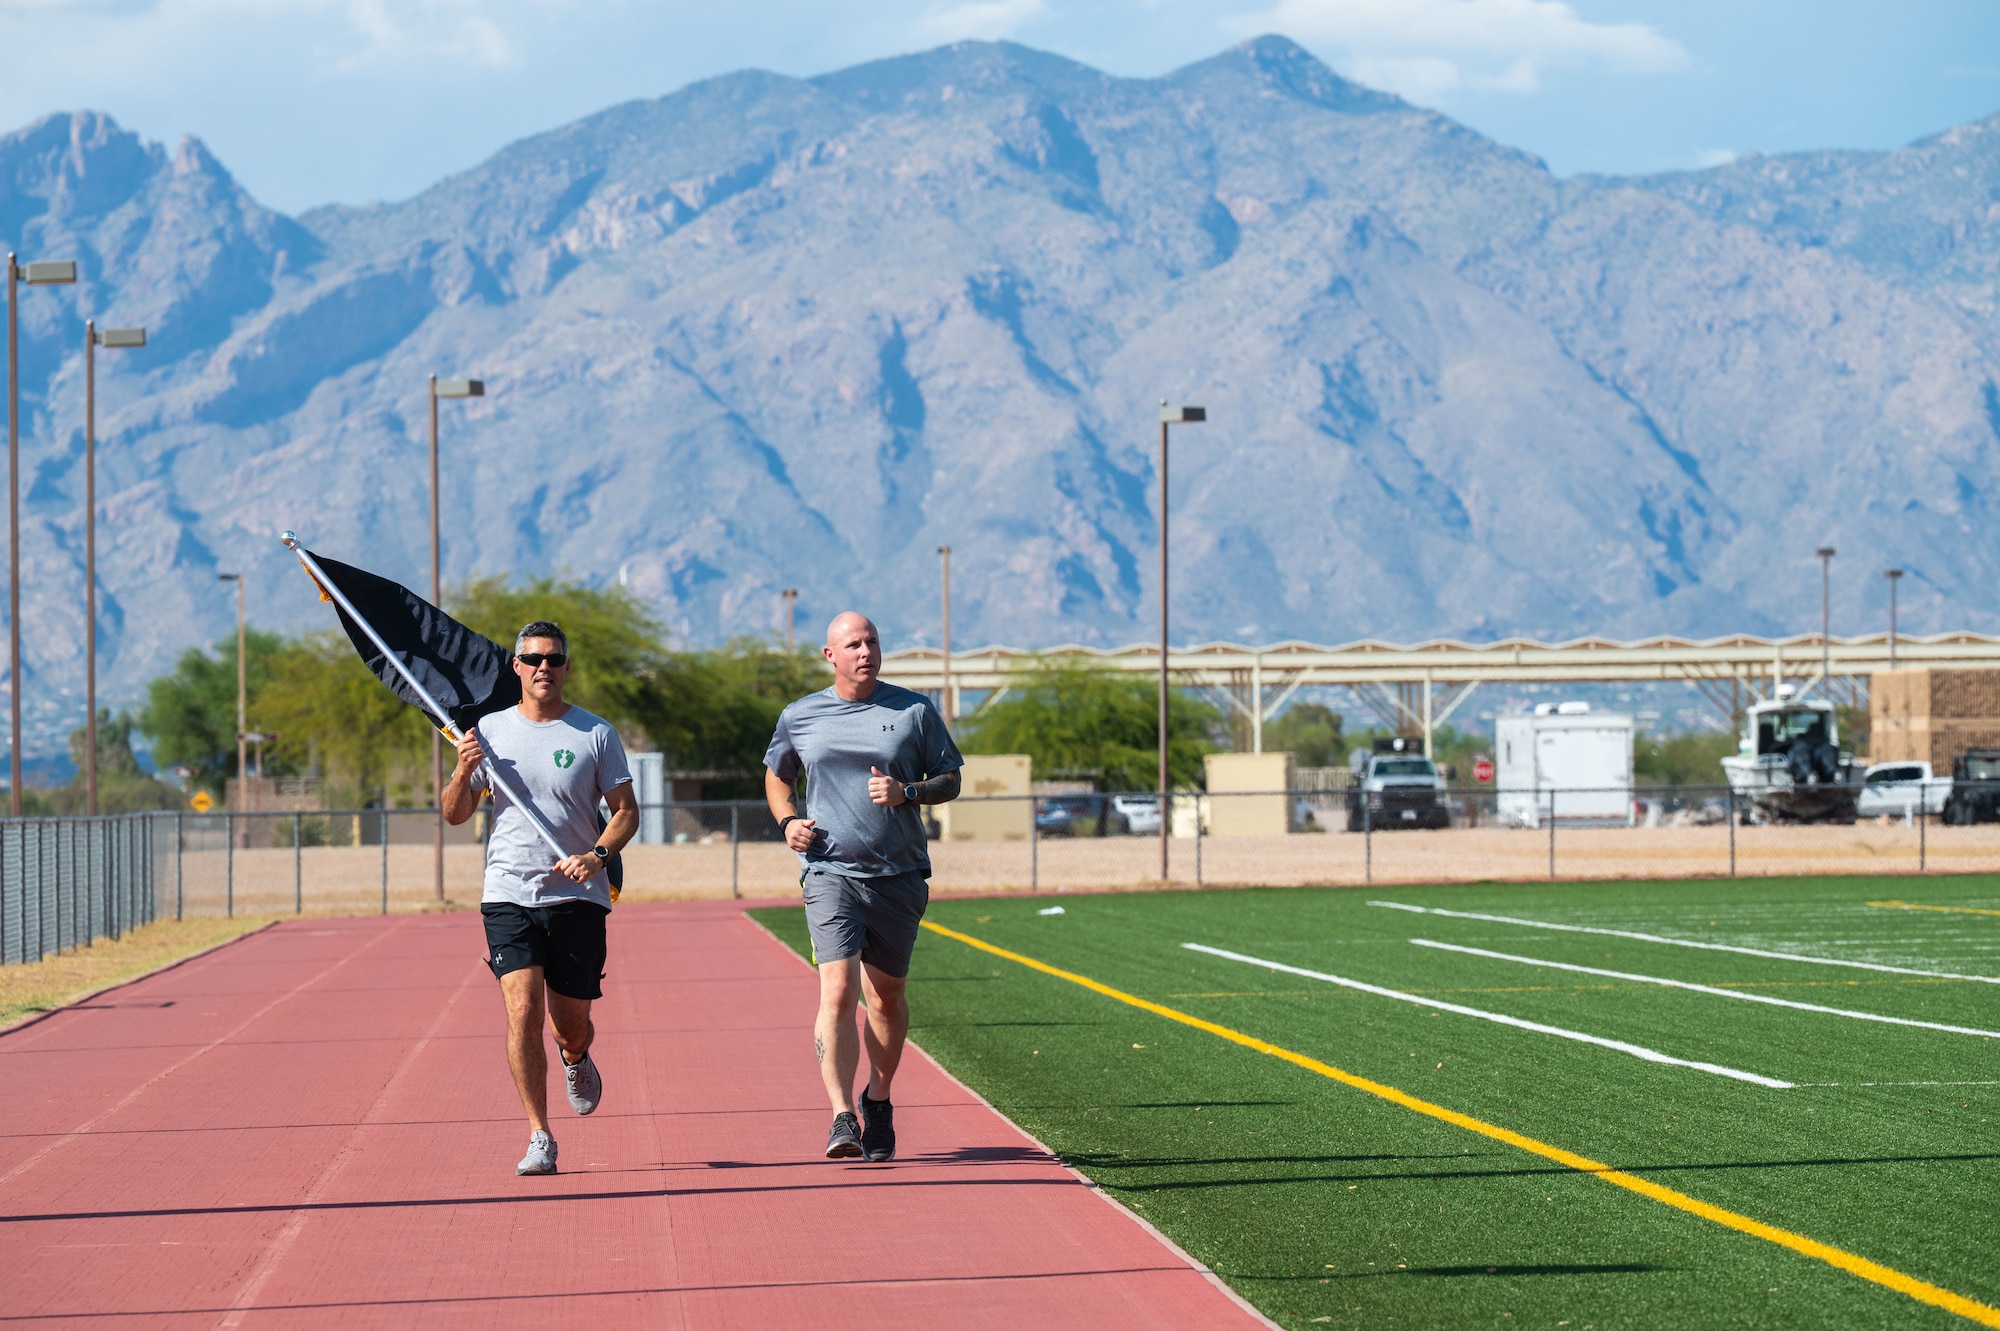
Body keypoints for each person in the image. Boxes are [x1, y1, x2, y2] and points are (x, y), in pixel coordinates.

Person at [764, 611, 962, 1161]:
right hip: (831, 870)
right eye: (852, 643)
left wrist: (909, 794)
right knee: (837, 991)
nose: (865, 651)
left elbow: (951, 778)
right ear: (831, 655)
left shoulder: (914, 711)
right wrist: (787, 821)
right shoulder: (801, 716)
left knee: (887, 996)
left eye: (871, 641)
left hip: (898, 874)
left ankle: (878, 1098)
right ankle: (841, 1116)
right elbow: (777, 773)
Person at [443, 620, 638, 1176]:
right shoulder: (489, 732)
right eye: (533, 660)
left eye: (553, 659)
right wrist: (462, 770)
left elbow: (626, 812)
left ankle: (575, 1056)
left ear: (566, 666)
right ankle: (539, 1134)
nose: (543, 669)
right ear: (517, 667)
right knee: (522, 1011)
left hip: (576, 895)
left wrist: (596, 856)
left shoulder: (595, 734)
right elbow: (456, 813)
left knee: (566, 1024)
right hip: (508, 891)